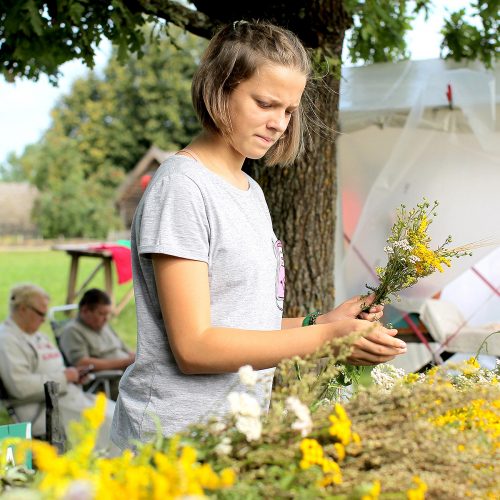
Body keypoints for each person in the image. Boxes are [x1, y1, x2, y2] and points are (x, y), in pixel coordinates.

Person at [111, 21, 407, 450]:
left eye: (288, 110)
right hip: (171, 442)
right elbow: (194, 347)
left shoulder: (250, 192)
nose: (279, 124)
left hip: (230, 437)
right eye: (266, 103)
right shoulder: (182, 187)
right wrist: (325, 340)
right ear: (219, 89)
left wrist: (320, 322)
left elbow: (239, 322)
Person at [0, 283, 115, 448]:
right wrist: (64, 377)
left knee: (117, 413)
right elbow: (20, 387)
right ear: (23, 309)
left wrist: (73, 376)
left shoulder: (38, 335)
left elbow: (54, 370)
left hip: (66, 398)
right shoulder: (7, 340)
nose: (44, 319)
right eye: (40, 313)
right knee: (111, 424)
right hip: (43, 410)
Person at [59, 288, 135, 400]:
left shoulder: (103, 326)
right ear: (85, 311)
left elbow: (127, 351)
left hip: (128, 374)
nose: (106, 319)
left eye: (107, 314)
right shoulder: (72, 331)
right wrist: (125, 362)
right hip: (107, 383)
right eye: (101, 314)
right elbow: (82, 363)